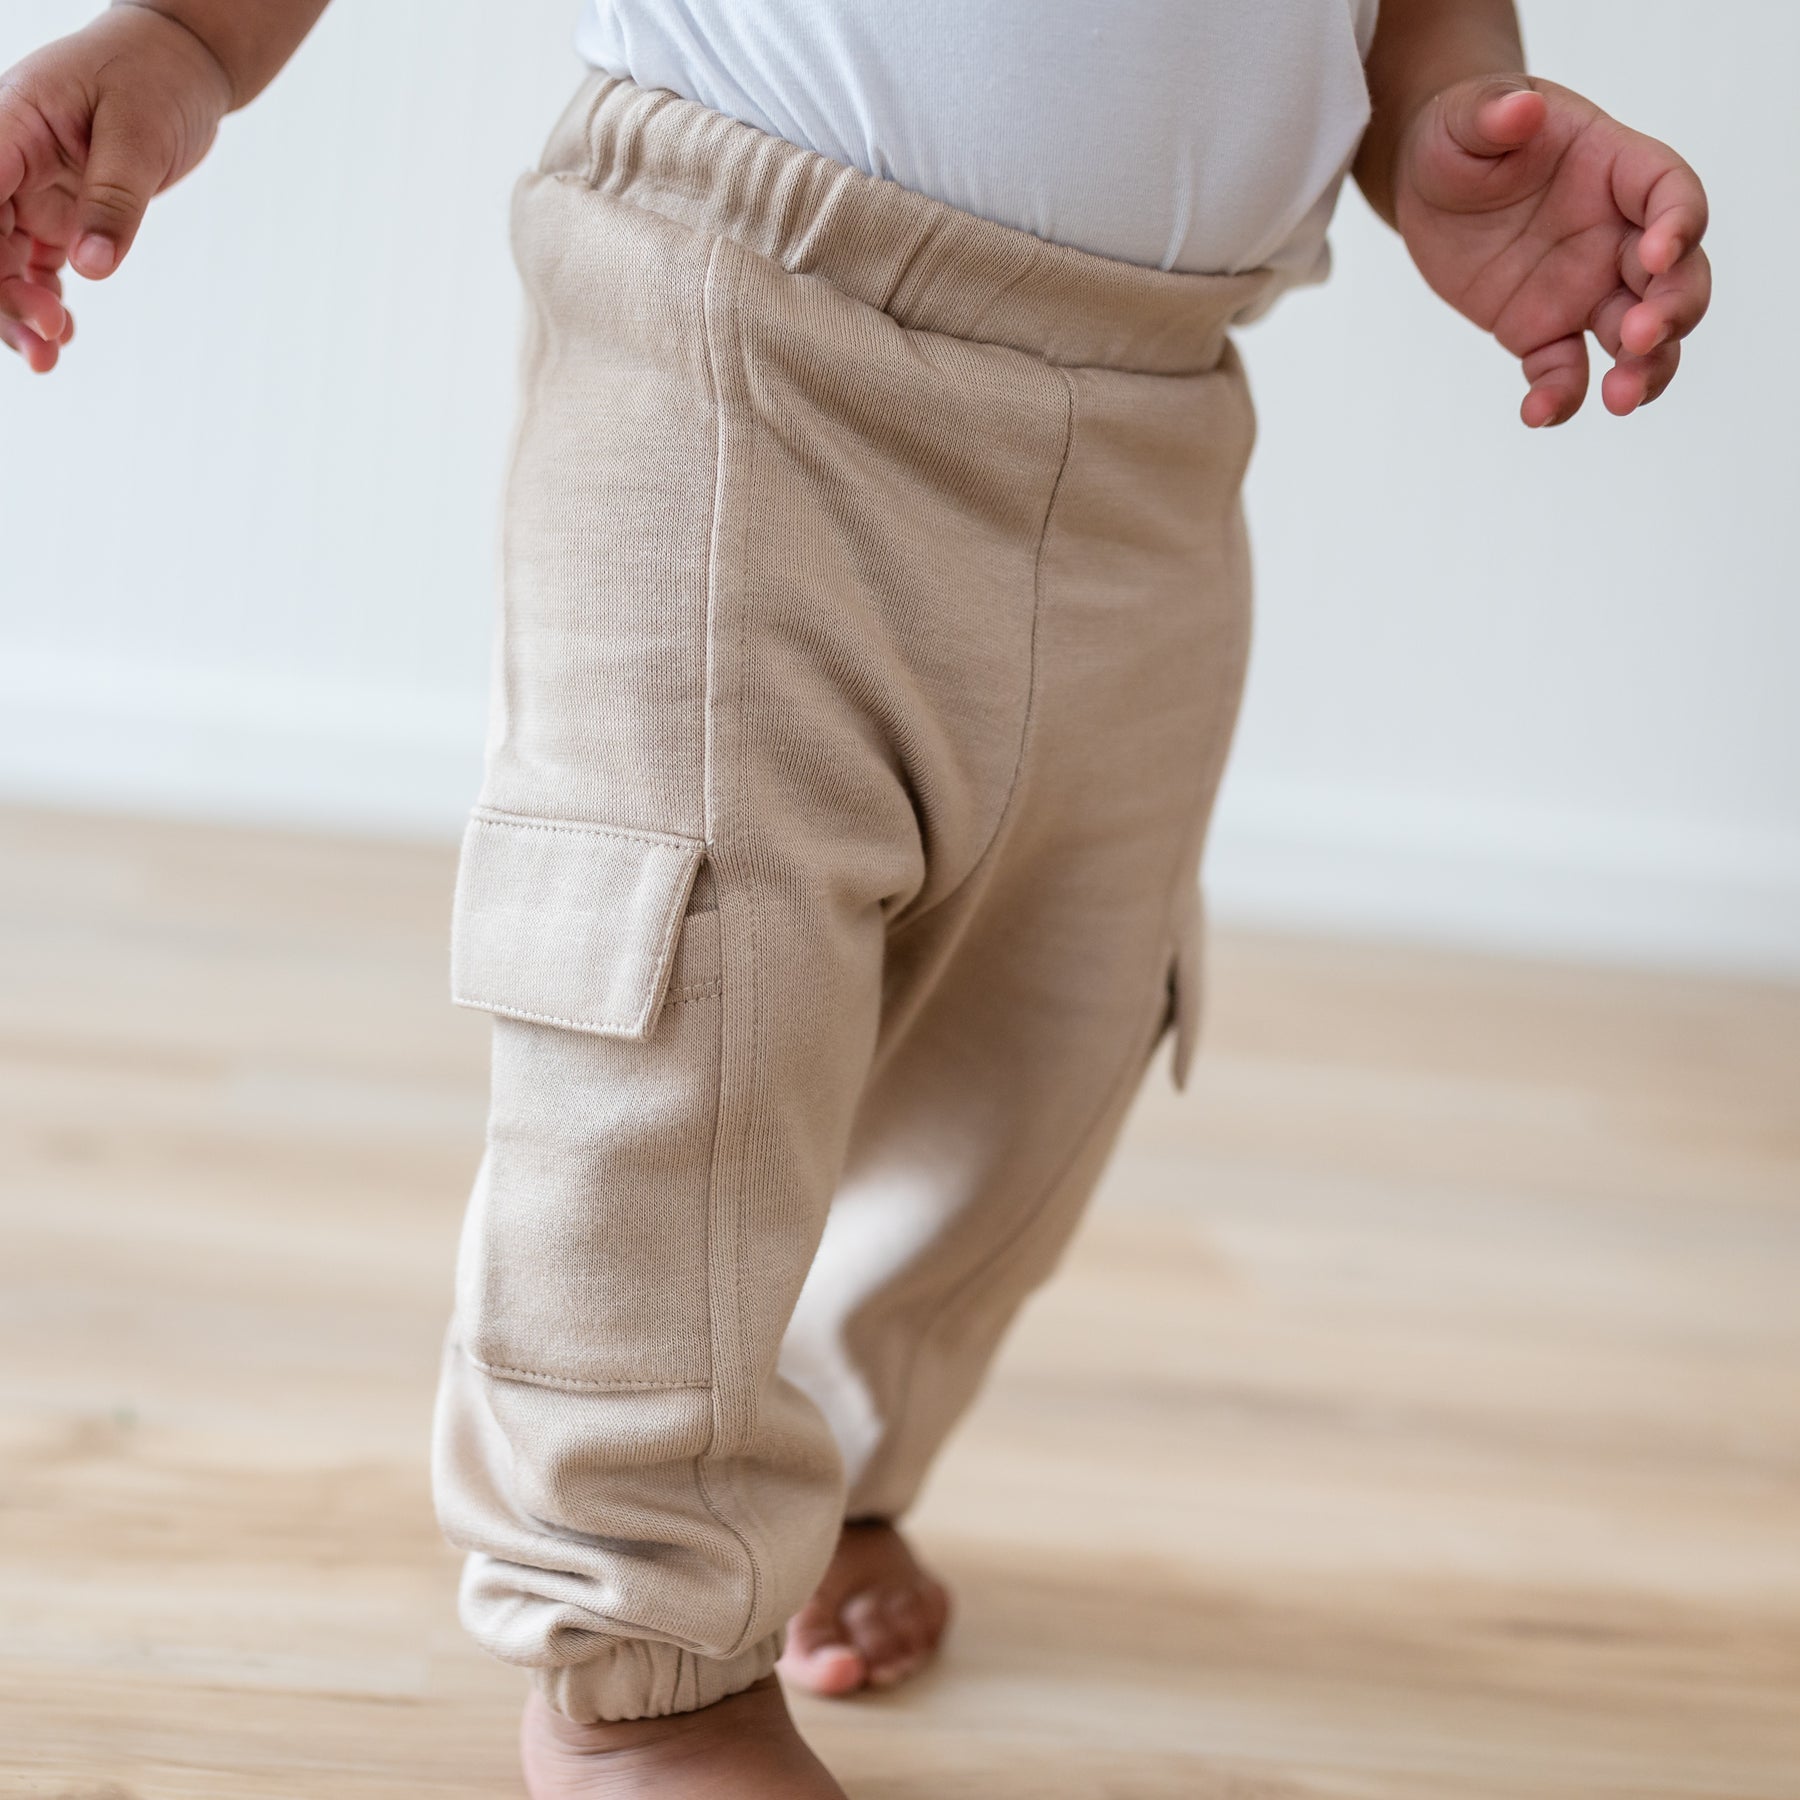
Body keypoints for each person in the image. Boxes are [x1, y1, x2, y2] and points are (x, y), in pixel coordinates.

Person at [0, 3, 1712, 1795]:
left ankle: (822, 1470)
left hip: (1157, 397)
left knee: (1045, 1027)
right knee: (686, 995)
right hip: (741, 308)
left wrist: (1446, 107)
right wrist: (195, 37)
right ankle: (648, 1664)